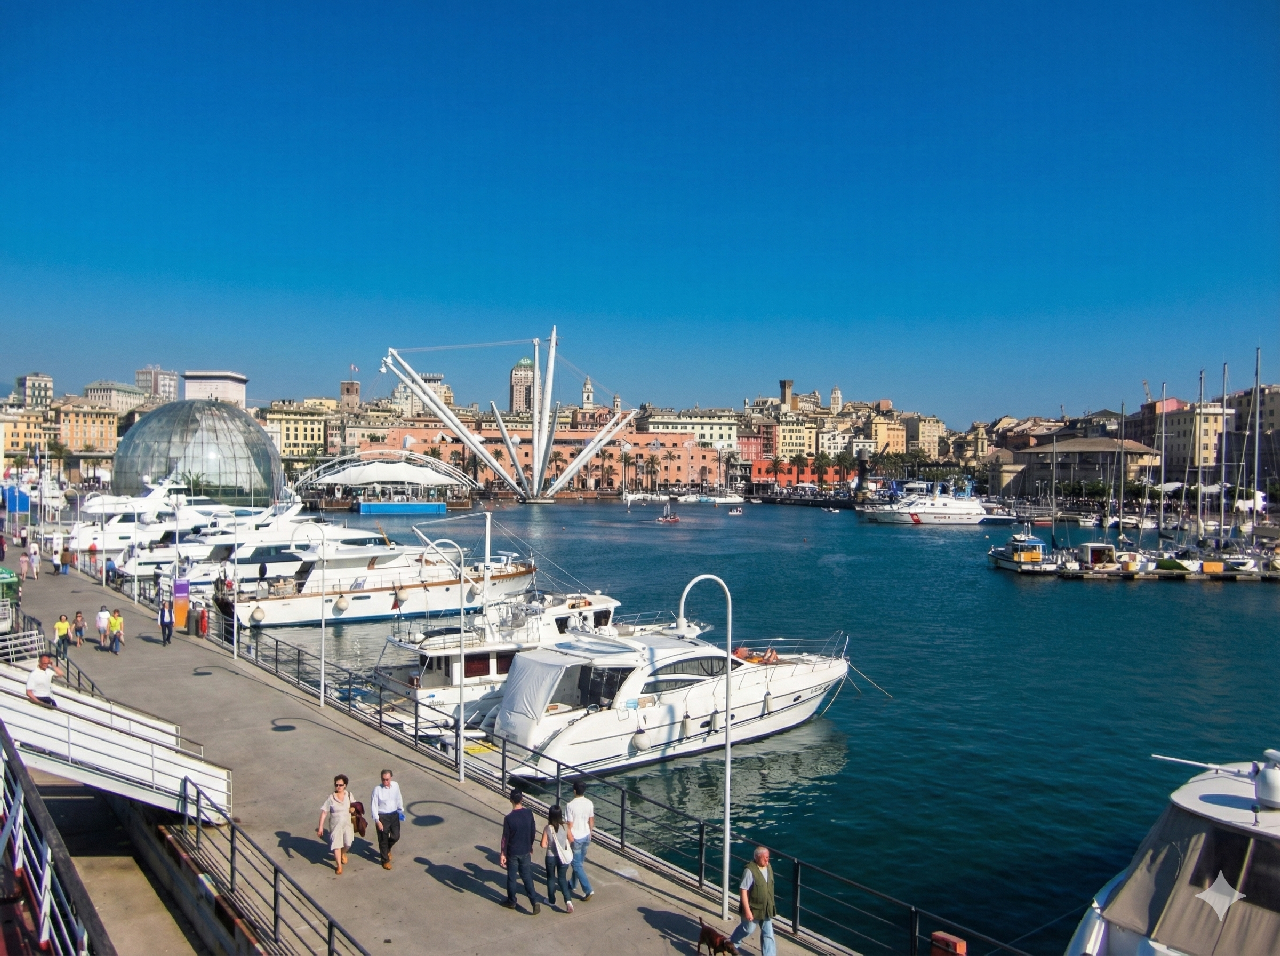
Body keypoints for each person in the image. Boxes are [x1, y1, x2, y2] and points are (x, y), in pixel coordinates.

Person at [499, 789, 540, 914]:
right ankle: (534, 901)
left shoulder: (509, 818)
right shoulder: (529, 813)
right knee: (527, 876)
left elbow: (505, 838)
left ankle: (512, 901)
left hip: (513, 851)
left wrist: (503, 853)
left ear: (511, 800)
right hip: (525, 850)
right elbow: (533, 832)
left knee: (512, 877)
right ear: (522, 799)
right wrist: (530, 845)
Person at [731, 846, 777, 956]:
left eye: (768, 857)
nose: (767, 860)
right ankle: (732, 942)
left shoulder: (768, 867)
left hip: (766, 908)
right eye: (765, 858)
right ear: (757, 857)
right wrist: (747, 911)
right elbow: (743, 890)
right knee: (748, 929)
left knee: (768, 934)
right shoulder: (749, 871)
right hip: (754, 908)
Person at [317, 774, 354, 875]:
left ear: (345, 785)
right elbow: (324, 812)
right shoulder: (331, 798)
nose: (338, 787)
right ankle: (339, 866)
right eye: (336, 785)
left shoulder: (349, 795)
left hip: (347, 824)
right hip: (335, 825)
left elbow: (355, 806)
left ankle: (343, 853)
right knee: (336, 845)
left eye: (340, 785)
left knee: (348, 843)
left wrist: (353, 809)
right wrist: (320, 827)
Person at [564, 780, 595, 901]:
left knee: (576, 864)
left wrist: (568, 838)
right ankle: (572, 883)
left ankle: (588, 889)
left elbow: (569, 824)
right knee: (579, 863)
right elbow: (591, 820)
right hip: (586, 835)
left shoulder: (570, 805)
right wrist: (590, 832)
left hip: (575, 837)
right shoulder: (589, 803)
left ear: (574, 791)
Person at [540, 804, 574, 913]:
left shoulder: (547, 828)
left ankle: (551, 900)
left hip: (551, 856)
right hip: (563, 857)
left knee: (550, 878)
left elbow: (543, 844)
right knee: (562, 879)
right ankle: (568, 901)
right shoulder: (565, 826)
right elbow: (571, 839)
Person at [370, 769, 404, 870]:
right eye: (383, 780)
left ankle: (387, 849)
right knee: (383, 839)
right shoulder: (377, 790)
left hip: (394, 814)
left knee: (396, 836)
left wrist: (400, 809)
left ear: (391, 778)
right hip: (382, 816)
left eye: (387, 780)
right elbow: (374, 806)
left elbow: (398, 797)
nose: (385, 782)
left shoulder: (395, 786)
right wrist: (377, 820)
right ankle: (385, 860)